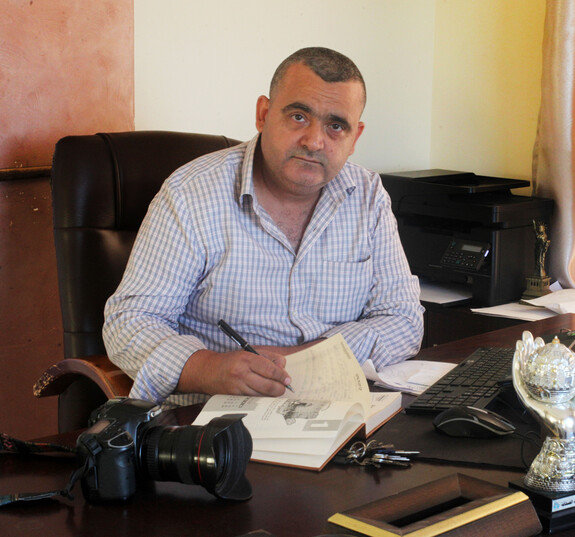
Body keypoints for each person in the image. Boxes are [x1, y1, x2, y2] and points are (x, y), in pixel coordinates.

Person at [103, 47, 424, 407]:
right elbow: (130, 322)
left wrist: (307, 357)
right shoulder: (192, 194)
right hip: (212, 422)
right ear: (263, 114)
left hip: (336, 409)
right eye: (299, 117)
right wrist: (209, 367)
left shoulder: (367, 196)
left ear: (355, 137)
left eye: (336, 126)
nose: (315, 141)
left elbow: (404, 319)